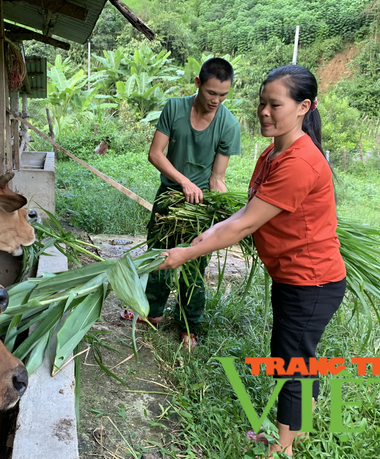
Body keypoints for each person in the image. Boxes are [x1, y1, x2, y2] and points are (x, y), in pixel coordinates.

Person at [158, 64, 346, 458]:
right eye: (261, 103)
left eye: (274, 105)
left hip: (310, 281)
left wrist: (187, 254)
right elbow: (241, 215)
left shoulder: (299, 162)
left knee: (289, 363)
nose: (263, 111)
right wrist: (204, 236)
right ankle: (301, 432)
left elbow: (243, 225)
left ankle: (282, 447)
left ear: (303, 107)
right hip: (296, 277)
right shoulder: (273, 152)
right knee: (300, 355)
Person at [120, 58, 241, 350]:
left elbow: (217, 176)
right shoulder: (174, 108)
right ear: (198, 84)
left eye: (223, 95)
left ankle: (190, 326)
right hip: (169, 196)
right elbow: (156, 154)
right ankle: (153, 313)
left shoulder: (228, 125)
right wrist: (184, 181)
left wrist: (220, 205)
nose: (216, 100)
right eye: (211, 92)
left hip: (198, 207)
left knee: (194, 264)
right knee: (159, 256)